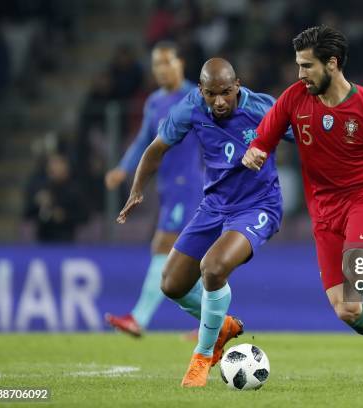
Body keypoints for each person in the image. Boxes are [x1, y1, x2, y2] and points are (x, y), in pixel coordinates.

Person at [242, 25, 363, 390]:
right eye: (298, 65)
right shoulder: (295, 97)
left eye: (307, 66)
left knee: (357, 266)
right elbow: (267, 132)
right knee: (347, 309)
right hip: (324, 210)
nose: (300, 74)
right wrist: (257, 150)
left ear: (333, 63)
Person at [116, 57, 292, 387]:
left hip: (258, 206)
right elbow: (156, 149)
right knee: (171, 284)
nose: (220, 101)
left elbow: (309, 139)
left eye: (226, 92)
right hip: (213, 207)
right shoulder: (190, 108)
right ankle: (222, 325)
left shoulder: (263, 108)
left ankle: (202, 355)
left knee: (212, 268)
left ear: (237, 86)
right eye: (211, 94)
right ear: (201, 91)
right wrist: (137, 189)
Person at [104, 41, 206, 337]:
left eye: (167, 62)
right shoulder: (154, 102)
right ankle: (214, 320)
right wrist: (123, 168)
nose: (162, 69)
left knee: (163, 247)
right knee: (189, 258)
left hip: (191, 185)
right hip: (168, 188)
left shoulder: (196, 95)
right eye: (156, 64)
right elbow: (143, 141)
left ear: (180, 63)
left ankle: (139, 318)